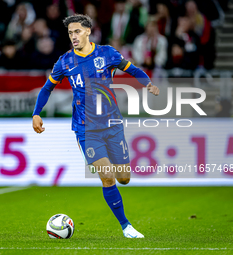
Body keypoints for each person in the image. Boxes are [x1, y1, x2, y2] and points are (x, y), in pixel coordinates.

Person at [32, 14, 159, 238]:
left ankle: (124, 218)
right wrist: (36, 113)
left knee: (124, 178)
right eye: (70, 33)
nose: (73, 36)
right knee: (107, 176)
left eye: (77, 31)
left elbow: (132, 70)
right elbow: (46, 88)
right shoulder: (65, 61)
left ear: (88, 31)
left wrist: (147, 82)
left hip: (112, 124)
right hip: (85, 129)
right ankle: (126, 226)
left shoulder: (107, 53)